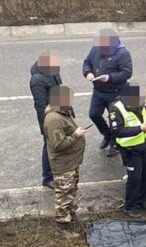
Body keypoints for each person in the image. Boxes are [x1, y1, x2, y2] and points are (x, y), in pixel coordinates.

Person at [43, 85, 87, 235]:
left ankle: (71, 220)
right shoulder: (54, 119)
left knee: (70, 193)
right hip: (64, 165)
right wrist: (76, 135)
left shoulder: (62, 112)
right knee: (64, 196)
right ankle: (62, 228)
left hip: (71, 162)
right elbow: (58, 145)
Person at [83, 29, 133, 157]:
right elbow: (87, 62)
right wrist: (88, 72)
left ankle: (114, 144)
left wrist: (109, 77)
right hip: (98, 92)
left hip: (115, 93)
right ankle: (107, 133)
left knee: (114, 120)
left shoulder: (122, 53)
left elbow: (127, 72)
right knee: (94, 114)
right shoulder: (96, 49)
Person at [108, 84, 146, 217]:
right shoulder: (115, 109)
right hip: (130, 150)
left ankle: (142, 201)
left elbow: (145, 115)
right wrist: (140, 128)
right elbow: (117, 131)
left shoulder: (139, 104)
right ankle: (130, 207)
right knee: (134, 179)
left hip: (144, 146)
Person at [30, 51, 63, 188]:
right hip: (49, 118)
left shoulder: (52, 72)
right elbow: (40, 105)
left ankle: (56, 170)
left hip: (58, 112)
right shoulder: (37, 80)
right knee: (49, 145)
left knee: (59, 141)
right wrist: (45, 125)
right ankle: (47, 177)